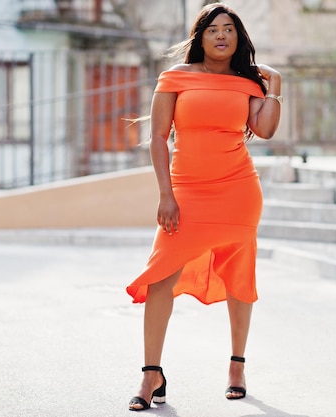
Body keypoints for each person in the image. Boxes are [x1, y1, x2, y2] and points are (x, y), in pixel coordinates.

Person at [126, 2, 281, 411]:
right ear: (200, 37)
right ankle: (150, 374)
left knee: (239, 277)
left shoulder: (248, 84)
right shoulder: (175, 78)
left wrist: (275, 85)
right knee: (161, 278)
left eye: (229, 29)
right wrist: (166, 194)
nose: (221, 35)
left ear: (238, 38)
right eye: (213, 29)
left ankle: (236, 366)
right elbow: (159, 138)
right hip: (187, 191)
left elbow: (264, 129)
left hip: (238, 191)